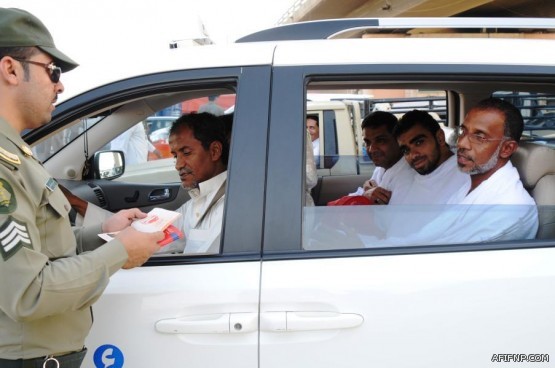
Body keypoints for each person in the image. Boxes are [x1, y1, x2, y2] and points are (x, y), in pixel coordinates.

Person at [0, 8, 163, 367]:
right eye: (52, 71)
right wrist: (120, 252)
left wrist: (103, 233)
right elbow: (29, 292)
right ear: (10, 69)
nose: (59, 85)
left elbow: (38, 247)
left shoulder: (16, 154)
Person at [168, 112, 229, 254]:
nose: (178, 165)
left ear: (214, 151)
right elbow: (155, 238)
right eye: (176, 156)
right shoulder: (194, 202)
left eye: (187, 153)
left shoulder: (229, 207)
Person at [391, 109, 470, 205]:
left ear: (440, 138)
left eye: (419, 143)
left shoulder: (465, 177)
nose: (413, 155)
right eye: (405, 150)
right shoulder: (408, 176)